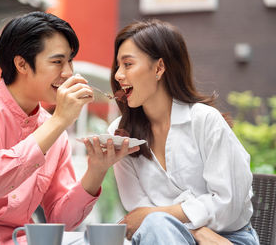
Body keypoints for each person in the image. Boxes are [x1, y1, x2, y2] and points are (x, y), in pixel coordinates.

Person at [0, 11, 139, 245]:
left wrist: (97, 170)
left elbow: (61, 219)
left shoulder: (53, 133)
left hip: (14, 240)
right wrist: (58, 121)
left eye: (69, 60)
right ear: (21, 64)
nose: (69, 72)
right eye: (57, 61)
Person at [86, 19, 259, 244]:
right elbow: (139, 214)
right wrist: (194, 229)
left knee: (156, 223)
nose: (118, 75)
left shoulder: (204, 120)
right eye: (118, 66)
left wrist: (159, 217)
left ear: (159, 68)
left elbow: (228, 205)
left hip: (224, 239)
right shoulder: (119, 132)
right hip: (160, 236)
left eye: (128, 64)